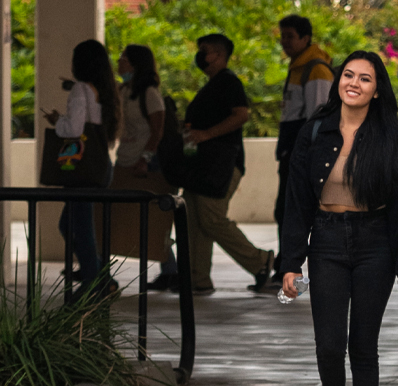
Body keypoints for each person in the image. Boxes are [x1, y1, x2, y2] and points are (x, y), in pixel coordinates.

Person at [280, 51, 398, 386]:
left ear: (377, 90)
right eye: (348, 75)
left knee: (363, 346)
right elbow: (297, 202)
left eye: (365, 78)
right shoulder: (315, 131)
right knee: (328, 345)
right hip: (326, 241)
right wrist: (291, 262)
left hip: (374, 243)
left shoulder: (388, 139)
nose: (354, 83)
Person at [182, 34, 274, 295]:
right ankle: (197, 278)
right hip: (202, 165)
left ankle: (259, 261)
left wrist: (207, 134)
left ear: (220, 55)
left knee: (211, 218)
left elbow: (241, 115)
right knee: (195, 219)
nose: (201, 55)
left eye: (206, 51)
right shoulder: (211, 86)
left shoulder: (228, 83)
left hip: (220, 165)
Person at [44, 40, 121, 298]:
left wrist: (58, 122)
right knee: (70, 224)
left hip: (81, 169)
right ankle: (101, 276)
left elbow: (74, 129)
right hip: (99, 166)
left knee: (79, 227)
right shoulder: (104, 90)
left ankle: (92, 283)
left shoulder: (80, 89)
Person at [114, 44, 178, 291]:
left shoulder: (149, 94)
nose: (119, 63)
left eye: (124, 60)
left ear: (136, 65)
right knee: (126, 216)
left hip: (147, 163)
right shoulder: (124, 91)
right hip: (126, 159)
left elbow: (158, 129)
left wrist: (145, 158)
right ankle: (170, 270)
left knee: (154, 219)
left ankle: (170, 270)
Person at [275, 15, 333, 280]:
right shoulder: (298, 66)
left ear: (305, 38)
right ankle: (285, 262)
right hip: (291, 149)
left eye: (290, 36)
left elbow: (317, 116)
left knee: (294, 209)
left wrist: (306, 154)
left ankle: (291, 265)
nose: (285, 41)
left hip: (302, 152)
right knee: (284, 209)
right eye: (283, 35)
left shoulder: (316, 70)